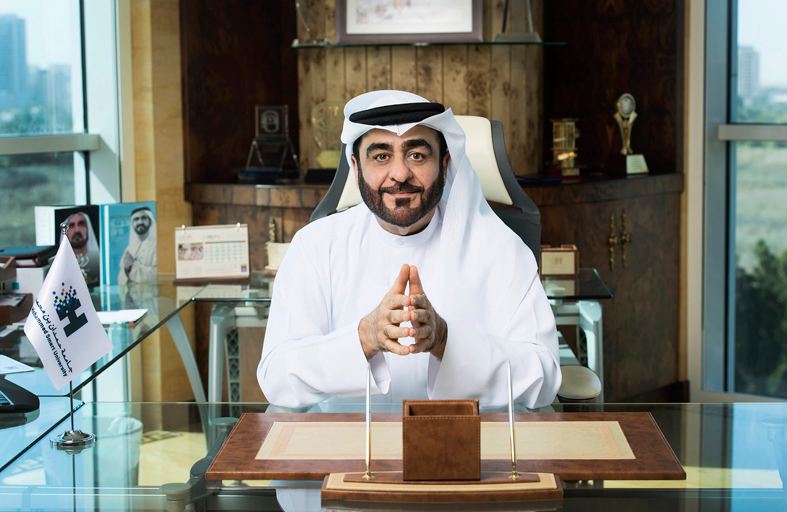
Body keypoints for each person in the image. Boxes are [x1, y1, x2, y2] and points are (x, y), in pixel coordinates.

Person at [258, 90, 561, 410]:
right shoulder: (316, 247)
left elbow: (544, 377)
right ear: (356, 168)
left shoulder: (499, 247)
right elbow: (276, 379)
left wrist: (445, 341)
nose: (400, 174)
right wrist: (364, 338)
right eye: (381, 156)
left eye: (417, 155)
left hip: (468, 437)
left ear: (445, 164)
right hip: (345, 437)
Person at [118, 206, 157, 284]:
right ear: (132, 224)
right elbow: (121, 275)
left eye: (143, 218)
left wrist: (133, 266)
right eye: (136, 219)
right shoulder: (129, 248)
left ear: (150, 222)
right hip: (131, 291)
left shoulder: (156, 245)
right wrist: (127, 270)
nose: (140, 222)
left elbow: (157, 274)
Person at [61, 212, 100, 285]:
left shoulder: (99, 264)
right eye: (72, 226)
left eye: (81, 224)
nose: (77, 230)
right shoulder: (61, 266)